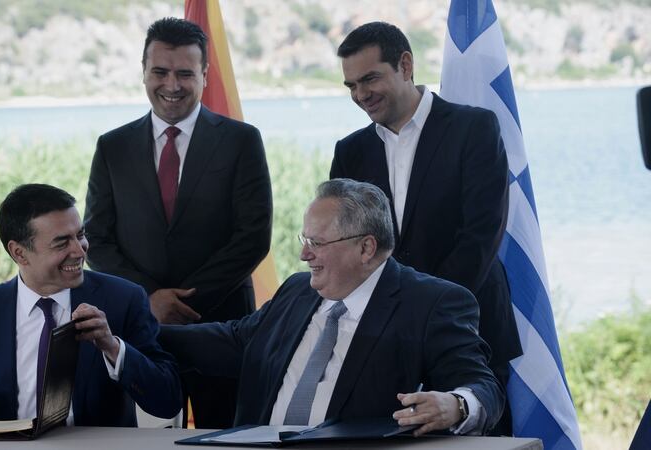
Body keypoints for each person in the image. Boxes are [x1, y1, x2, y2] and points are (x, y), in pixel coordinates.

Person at [160, 179, 505, 435]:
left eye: (317, 243)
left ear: (366, 248)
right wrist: (134, 330)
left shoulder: (431, 304)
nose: (303, 254)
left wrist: (456, 405)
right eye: (304, 240)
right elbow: (234, 341)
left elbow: (483, 387)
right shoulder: (297, 290)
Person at [329, 21, 521, 434]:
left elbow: (481, 237)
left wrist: (421, 312)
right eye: (351, 86)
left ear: (405, 64)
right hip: (382, 343)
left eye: (369, 79)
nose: (361, 95)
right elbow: (344, 245)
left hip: (471, 332)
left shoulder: (476, 129)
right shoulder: (350, 151)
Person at [83, 17, 272, 428]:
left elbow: (253, 237)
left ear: (205, 74)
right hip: (137, 329)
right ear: (144, 72)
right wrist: (148, 300)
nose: (172, 85)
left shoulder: (242, 141)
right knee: (142, 435)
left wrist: (182, 303)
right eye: (160, 72)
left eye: (185, 73)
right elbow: (96, 238)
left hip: (221, 326)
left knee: (225, 434)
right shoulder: (112, 146)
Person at [0, 184, 181, 431]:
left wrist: (113, 347)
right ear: (19, 253)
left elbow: (167, 399)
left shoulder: (123, 298)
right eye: (62, 243)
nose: (80, 250)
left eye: (80, 235)